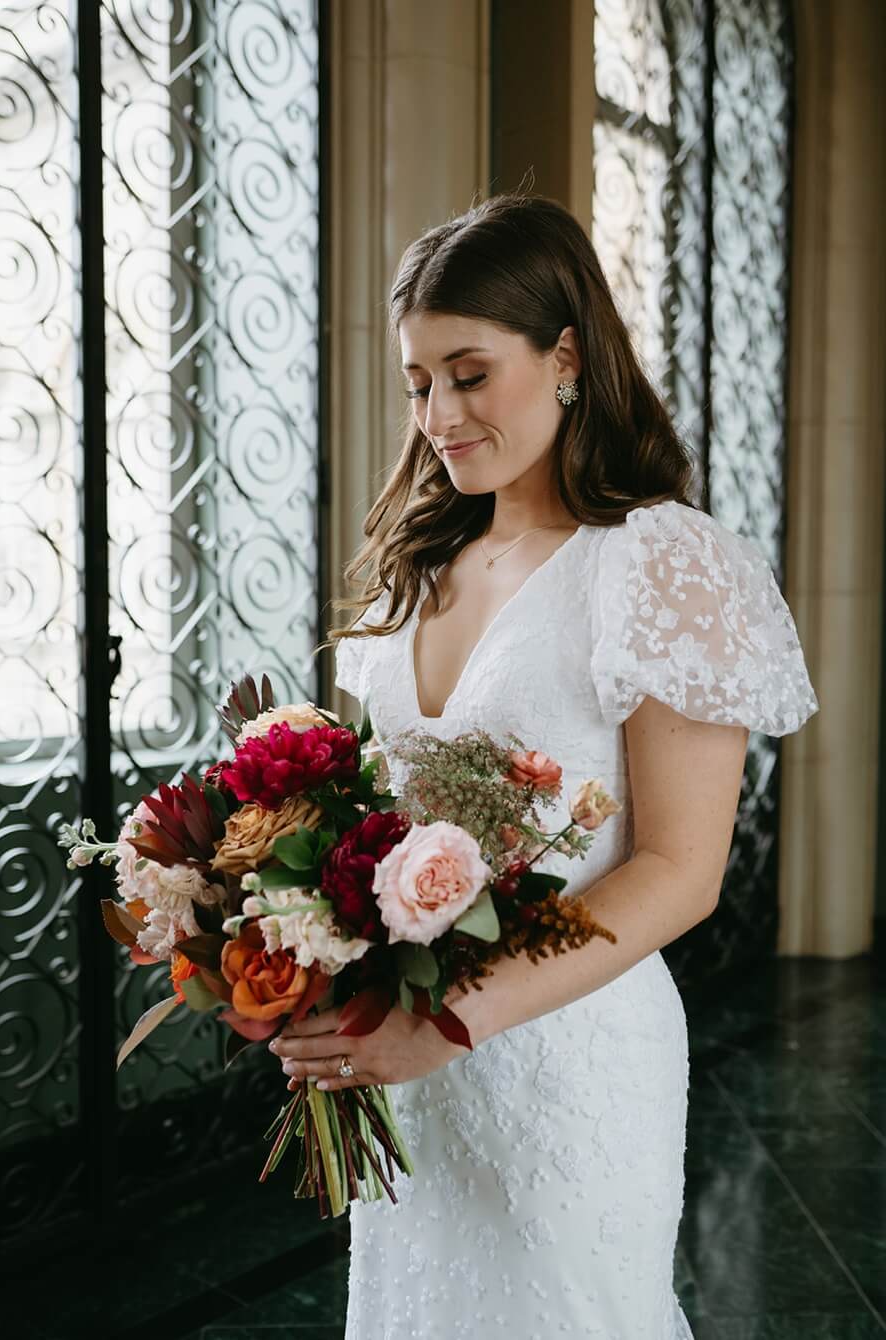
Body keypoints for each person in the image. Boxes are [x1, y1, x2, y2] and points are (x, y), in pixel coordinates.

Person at [268, 194, 818, 1337]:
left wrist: (454, 1017)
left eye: (470, 373)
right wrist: (307, 959)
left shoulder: (656, 562)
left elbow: (678, 868)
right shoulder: (427, 559)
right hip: (410, 1069)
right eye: (419, 382)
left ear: (566, 355)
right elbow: (368, 825)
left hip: (567, 1067)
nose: (438, 415)